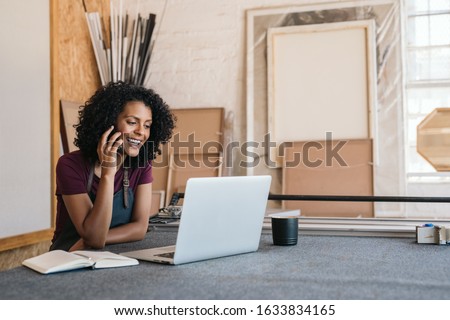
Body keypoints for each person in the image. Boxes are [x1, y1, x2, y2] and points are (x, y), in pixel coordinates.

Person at [50, 81, 175, 251]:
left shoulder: (141, 165)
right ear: (109, 123)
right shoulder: (70, 165)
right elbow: (93, 237)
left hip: (111, 254)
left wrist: (96, 239)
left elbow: (139, 228)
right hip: (69, 259)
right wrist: (108, 175)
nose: (141, 132)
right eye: (132, 122)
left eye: (147, 125)